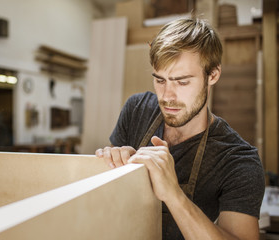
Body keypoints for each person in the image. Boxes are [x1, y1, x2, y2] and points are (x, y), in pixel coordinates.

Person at [96, 17, 265, 240]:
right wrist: (114, 164)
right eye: (160, 80)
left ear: (212, 75)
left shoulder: (238, 161)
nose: (167, 96)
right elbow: (105, 198)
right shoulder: (136, 109)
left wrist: (174, 195)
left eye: (182, 82)